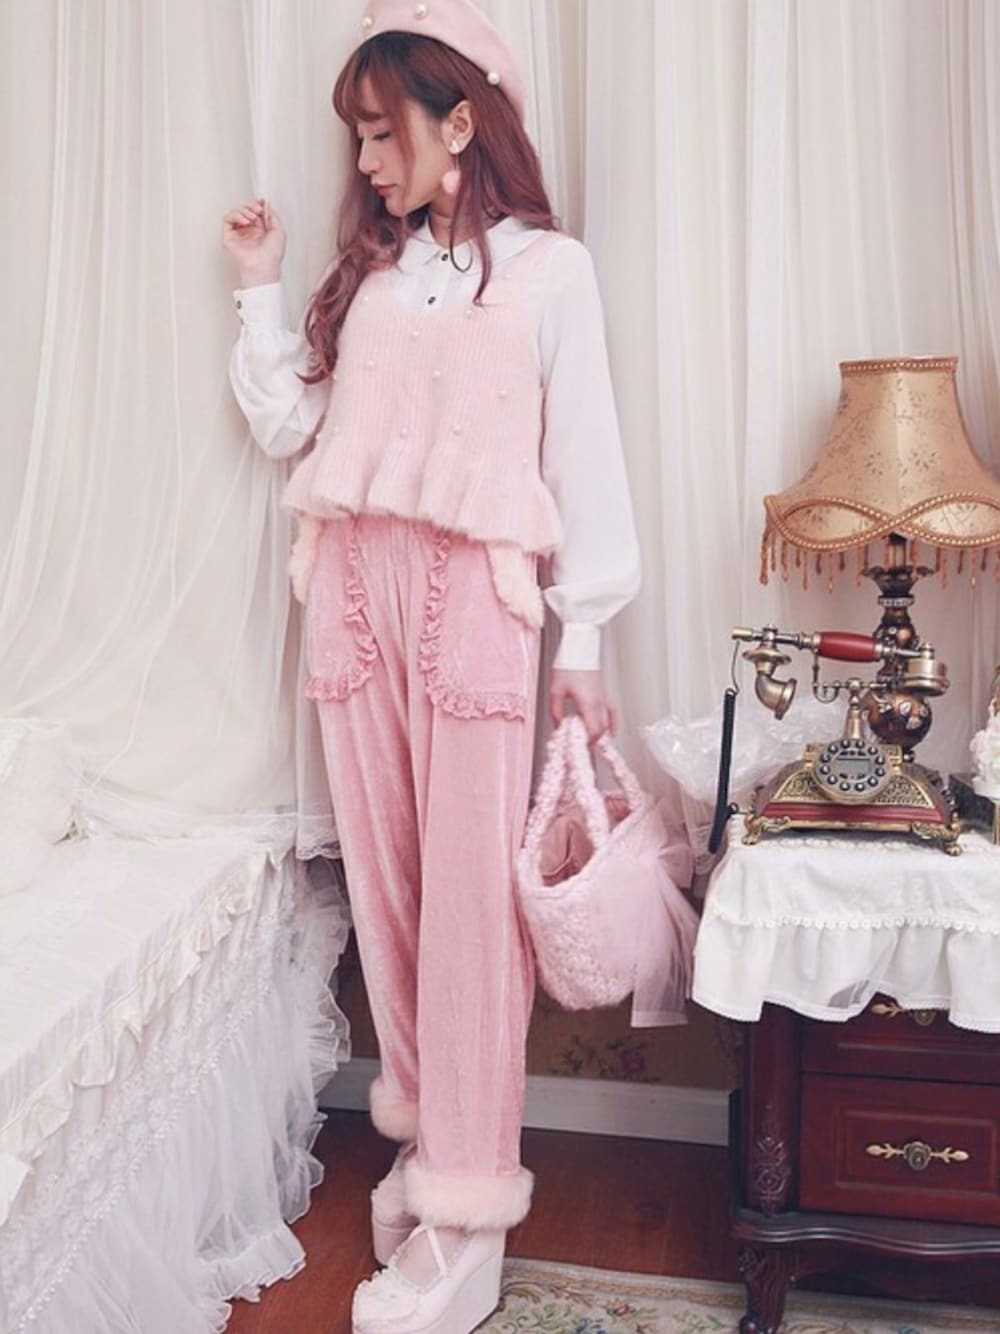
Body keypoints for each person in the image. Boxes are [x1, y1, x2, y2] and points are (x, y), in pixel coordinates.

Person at [223, 2, 640, 1330]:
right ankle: (425, 1138)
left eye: (379, 132)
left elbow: (586, 455)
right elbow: (290, 421)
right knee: (390, 886)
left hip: (476, 599)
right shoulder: (376, 274)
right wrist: (261, 283)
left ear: (461, 123)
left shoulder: (549, 273)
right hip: (352, 589)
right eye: (354, 137)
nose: (363, 161)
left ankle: (467, 1211)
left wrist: (586, 638)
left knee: (468, 902)